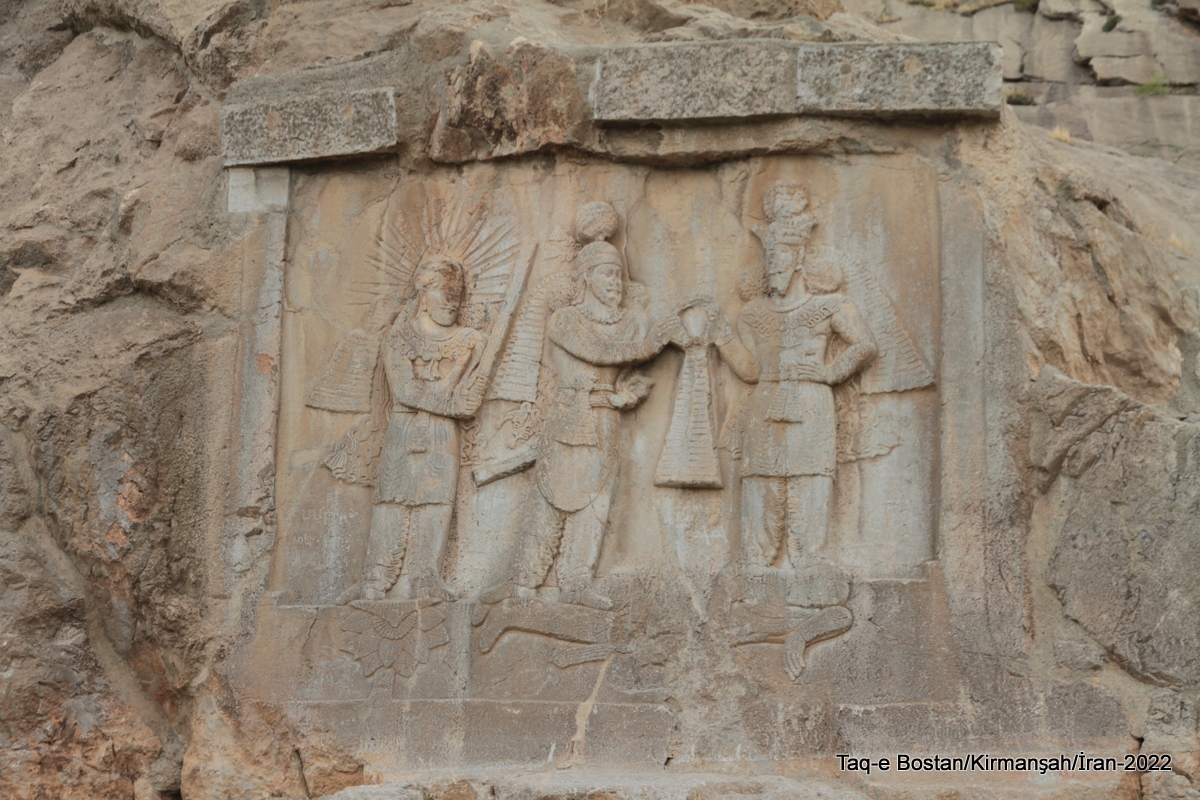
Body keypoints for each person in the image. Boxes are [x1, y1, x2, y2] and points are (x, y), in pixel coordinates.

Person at [483, 241, 683, 610]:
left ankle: (576, 582)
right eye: (607, 274)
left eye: (619, 275)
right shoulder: (565, 320)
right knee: (551, 497)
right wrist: (651, 344)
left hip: (605, 418)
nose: (615, 282)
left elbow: (621, 370)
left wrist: (629, 392)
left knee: (596, 502)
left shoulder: (629, 323)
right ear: (587, 277)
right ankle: (524, 582)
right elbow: (598, 352)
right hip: (569, 415)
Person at [710, 183, 877, 576]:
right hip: (766, 402)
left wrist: (829, 372)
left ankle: (809, 559)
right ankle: (756, 559)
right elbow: (751, 371)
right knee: (760, 478)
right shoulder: (753, 313)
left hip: (810, 401)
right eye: (769, 259)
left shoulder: (830, 305)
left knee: (810, 477)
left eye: (781, 258)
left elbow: (865, 345)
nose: (774, 267)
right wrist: (720, 335)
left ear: (799, 258)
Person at [359, 256, 487, 601]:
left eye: (457, 296)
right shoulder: (401, 336)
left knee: (438, 498)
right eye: (445, 293)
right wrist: (451, 405)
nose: (451, 303)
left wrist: (466, 380)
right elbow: (404, 390)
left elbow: (472, 391)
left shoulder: (469, 339)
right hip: (404, 427)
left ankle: (425, 576)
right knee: (392, 497)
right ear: (424, 293)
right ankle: (376, 578)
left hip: (442, 432)